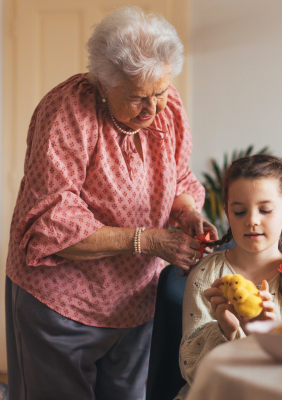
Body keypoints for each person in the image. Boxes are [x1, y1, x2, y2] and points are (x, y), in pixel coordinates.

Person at [4, 7, 217, 400]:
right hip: (62, 302)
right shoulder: (68, 112)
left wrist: (186, 211)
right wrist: (147, 241)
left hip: (135, 301)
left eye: (160, 93)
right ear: (103, 83)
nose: (153, 110)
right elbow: (52, 222)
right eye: (137, 98)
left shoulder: (166, 105)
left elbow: (178, 177)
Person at [177, 154, 282, 399]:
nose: (252, 220)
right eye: (239, 211)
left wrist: (268, 333)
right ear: (227, 212)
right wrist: (224, 331)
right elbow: (192, 370)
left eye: (265, 209)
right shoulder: (206, 274)